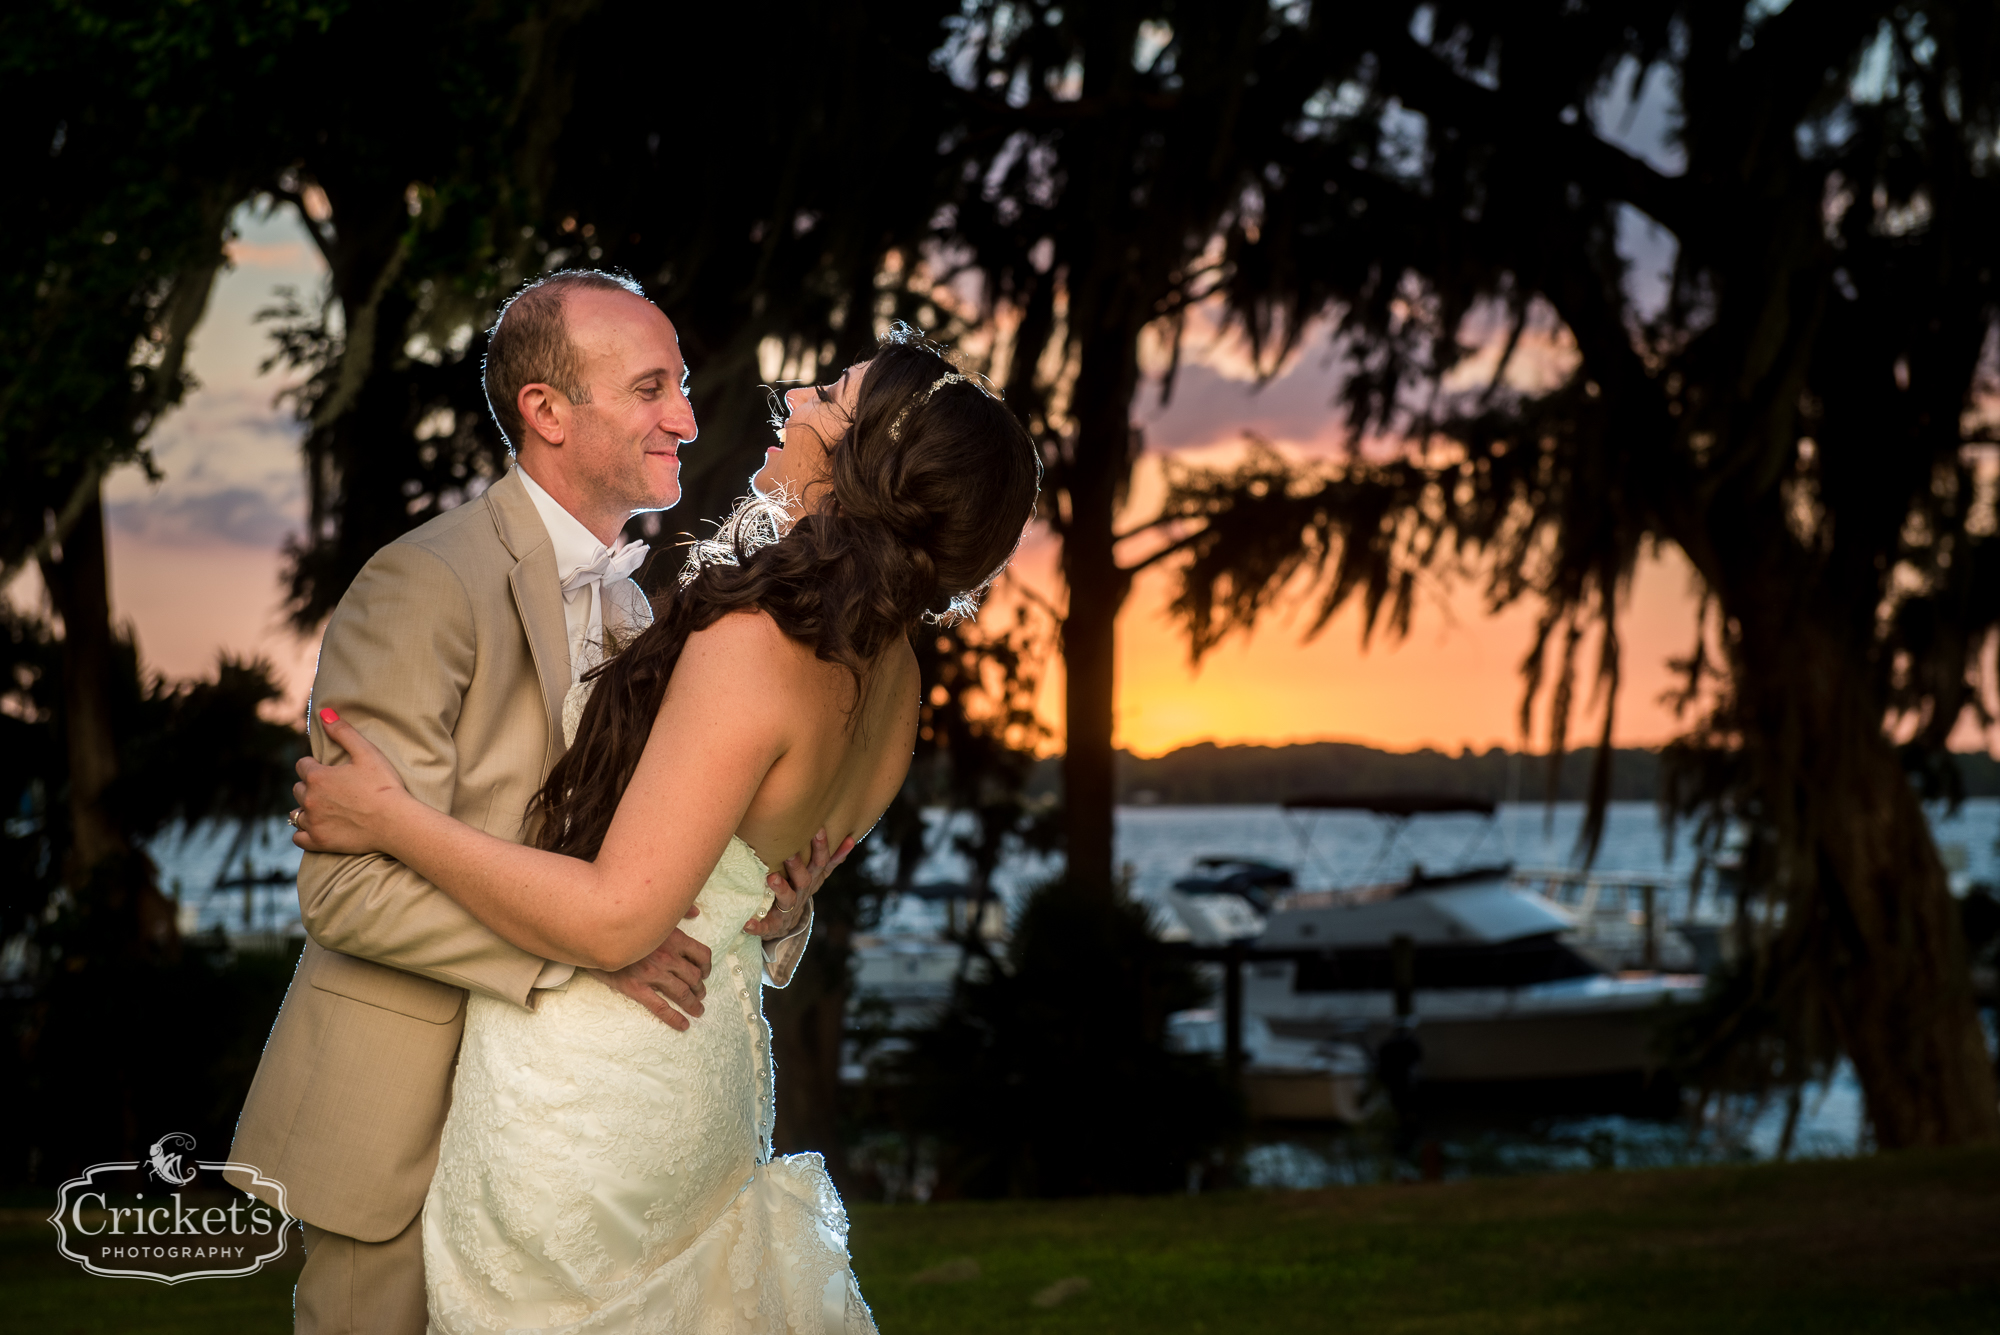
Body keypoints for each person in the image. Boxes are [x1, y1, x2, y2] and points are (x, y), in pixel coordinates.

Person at [288, 325, 1041, 1333]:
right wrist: (783, 917)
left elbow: (611, 921)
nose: (799, 396)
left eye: (833, 392)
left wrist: (389, 817)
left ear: (873, 455)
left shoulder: (759, 641)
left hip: (594, 1092)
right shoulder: (896, 675)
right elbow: (767, 887)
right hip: (711, 1080)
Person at [228, 270, 845, 1335]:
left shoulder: (638, 603)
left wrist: (773, 912)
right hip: (401, 1118)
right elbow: (345, 892)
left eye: (684, 385)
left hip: (555, 1135)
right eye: (651, 388)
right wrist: (588, 950)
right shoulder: (420, 585)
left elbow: (648, 854)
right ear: (546, 411)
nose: (687, 418)